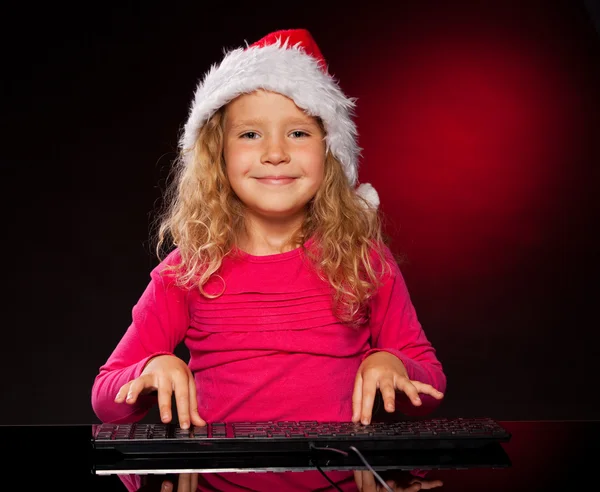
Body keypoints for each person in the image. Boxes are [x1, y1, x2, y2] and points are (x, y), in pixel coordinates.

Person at [91, 28, 446, 491]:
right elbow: (107, 399)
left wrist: (393, 364)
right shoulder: (188, 270)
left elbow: (430, 384)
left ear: (329, 152)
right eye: (251, 134)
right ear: (218, 154)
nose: (275, 154)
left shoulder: (364, 260)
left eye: (298, 132)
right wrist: (153, 368)